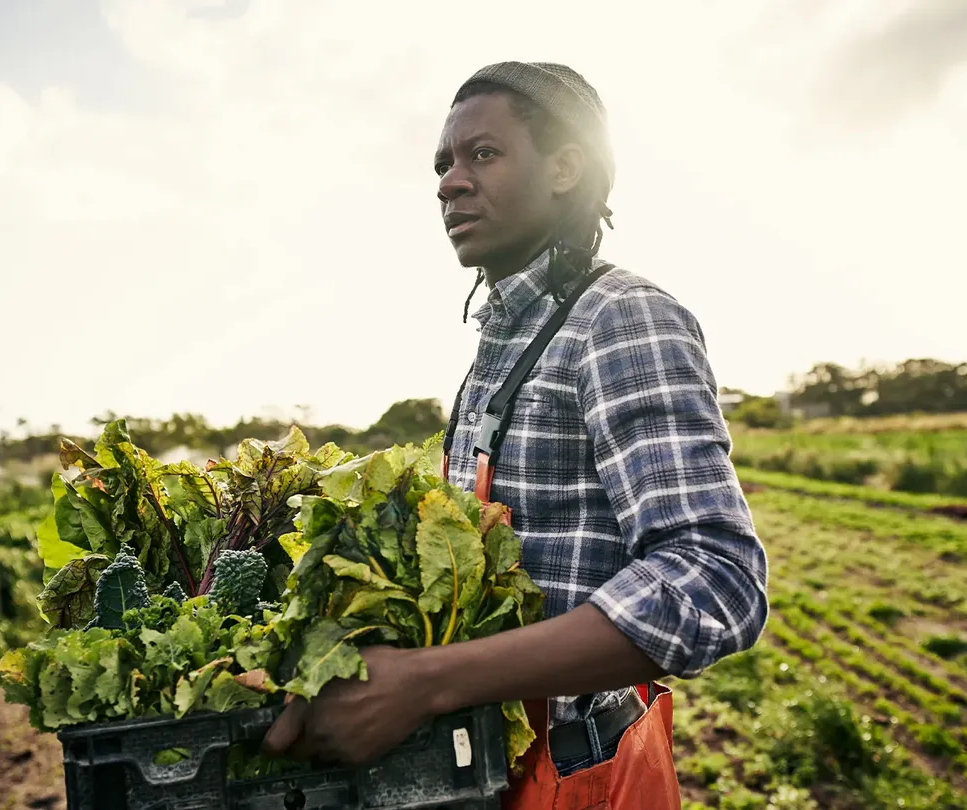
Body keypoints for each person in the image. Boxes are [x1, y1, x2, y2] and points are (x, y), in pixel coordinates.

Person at [264, 61, 769, 807]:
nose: (449, 182)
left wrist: (426, 683)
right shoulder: (502, 345)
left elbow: (716, 578)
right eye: (442, 165)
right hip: (489, 773)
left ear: (566, 167)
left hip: (578, 780)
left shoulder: (618, 319)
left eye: (483, 155)